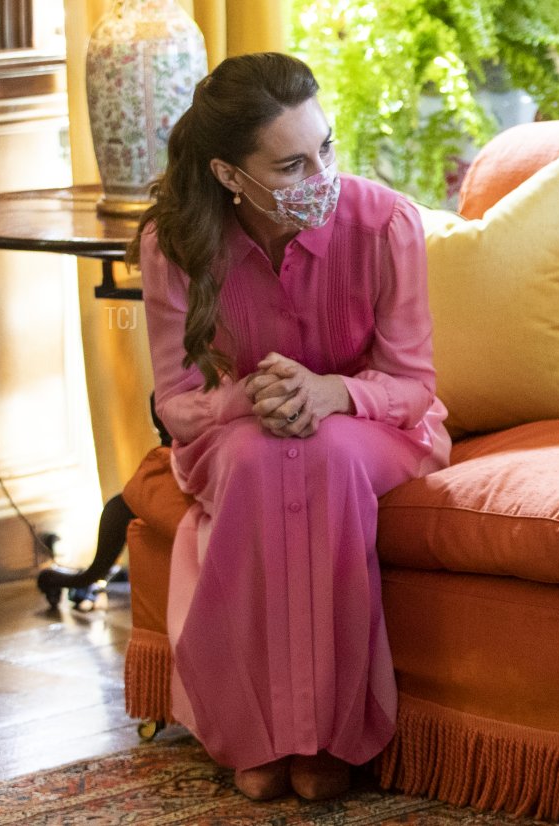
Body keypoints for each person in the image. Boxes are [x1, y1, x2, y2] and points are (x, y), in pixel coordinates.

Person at [127, 52, 450, 802]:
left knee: (324, 454)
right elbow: (175, 401)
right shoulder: (172, 244)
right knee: (255, 458)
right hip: (236, 430)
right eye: (292, 165)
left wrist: (331, 392)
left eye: (327, 149)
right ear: (229, 176)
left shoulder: (386, 223)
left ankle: (327, 734)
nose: (322, 178)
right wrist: (251, 398)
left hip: (371, 425)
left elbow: (412, 384)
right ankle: (255, 730)